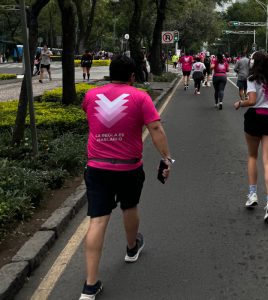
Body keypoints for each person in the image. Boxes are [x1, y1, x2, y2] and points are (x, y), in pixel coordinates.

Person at [79, 55, 173, 300]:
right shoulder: (140, 97)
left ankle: (90, 286)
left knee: (97, 220)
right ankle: (132, 249)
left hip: (97, 167)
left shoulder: (91, 95)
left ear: (110, 72)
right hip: (129, 167)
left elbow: (90, 119)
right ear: (133, 76)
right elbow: (155, 129)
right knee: (129, 207)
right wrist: (166, 158)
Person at [233, 51, 268, 223]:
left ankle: (253, 194)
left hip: (254, 118)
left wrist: (240, 102)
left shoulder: (253, 79)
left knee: (252, 156)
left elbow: (252, 101)